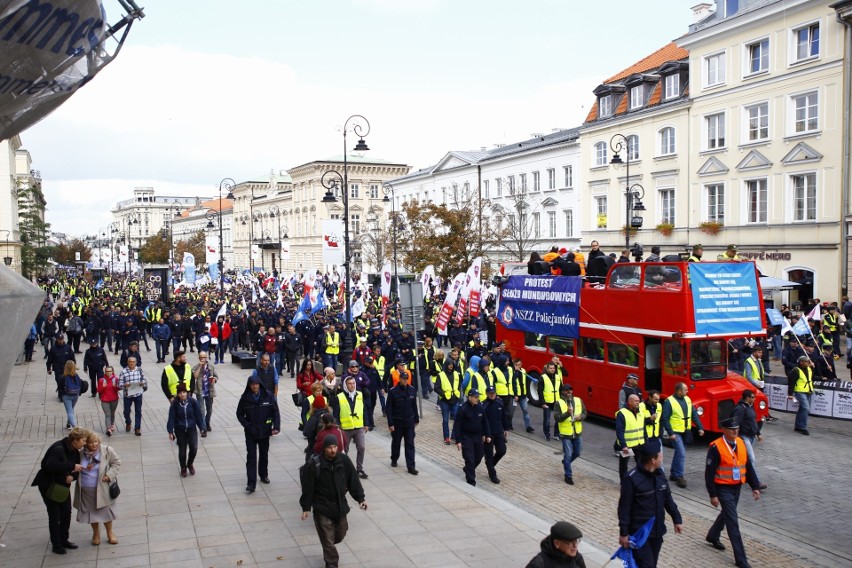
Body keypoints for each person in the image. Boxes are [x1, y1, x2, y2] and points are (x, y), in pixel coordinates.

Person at [299, 434, 368, 568]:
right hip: (322, 506)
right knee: (327, 539)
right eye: (330, 447)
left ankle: (328, 544)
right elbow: (308, 488)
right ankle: (331, 563)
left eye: (335, 447)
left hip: (340, 505)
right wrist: (306, 507)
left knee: (340, 533)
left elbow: (353, 480)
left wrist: (361, 498)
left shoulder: (344, 461)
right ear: (324, 448)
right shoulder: (315, 464)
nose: (333, 450)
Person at [705, 417, 761, 568]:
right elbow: (709, 474)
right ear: (724, 430)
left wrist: (755, 486)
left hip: (737, 486)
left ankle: (712, 535)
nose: (735, 431)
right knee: (732, 521)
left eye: (737, 428)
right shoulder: (716, 447)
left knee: (728, 514)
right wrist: (713, 495)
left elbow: (748, 466)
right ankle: (741, 559)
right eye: (732, 429)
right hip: (722, 488)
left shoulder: (741, 443)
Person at [617, 438, 683, 568]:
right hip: (640, 534)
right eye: (660, 456)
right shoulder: (631, 479)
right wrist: (624, 533)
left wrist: (677, 519)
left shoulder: (660, 475)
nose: (662, 458)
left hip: (657, 533)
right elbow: (624, 508)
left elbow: (668, 499)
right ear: (653, 460)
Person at [31, 426, 86, 555]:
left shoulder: (75, 452)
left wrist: (72, 477)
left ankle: (64, 539)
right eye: (83, 441)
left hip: (62, 487)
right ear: (75, 440)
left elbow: (77, 471)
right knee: (55, 515)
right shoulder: (58, 448)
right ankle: (56, 544)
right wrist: (71, 466)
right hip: (49, 486)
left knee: (66, 513)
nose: (84, 443)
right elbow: (48, 465)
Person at [74, 431, 120, 546]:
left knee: (106, 512)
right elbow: (74, 467)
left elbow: (116, 463)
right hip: (86, 489)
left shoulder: (106, 450)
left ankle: (110, 533)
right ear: (86, 443)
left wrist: (109, 475)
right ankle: (96, 534)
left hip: (102, 488)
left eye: (95, 442)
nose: (93, 445)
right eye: (90, 442)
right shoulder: (80, 453)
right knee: (92, 513)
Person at [236, 375, 281, 493]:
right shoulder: (245, 398)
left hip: (265, 431)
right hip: (251, 432)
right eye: (252, 384)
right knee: (251, 457)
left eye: (256, 384)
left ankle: (263, 474)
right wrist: (247, 425)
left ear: (260, 384)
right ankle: (251, 483)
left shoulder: (268, 396)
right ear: (249, 386)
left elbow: (275, 411)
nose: (254, 386)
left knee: (263, 454)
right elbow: (239, 414)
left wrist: (276, 427)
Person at [661, 382, 705, 488]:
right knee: (681, 453)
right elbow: (665, 418)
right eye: (685, 390)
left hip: (685, 431)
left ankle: (674, 474)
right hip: (675, 432)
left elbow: (694, 414)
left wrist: (700, 427)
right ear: (679, 391)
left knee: (679, 453)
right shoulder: (669, 402)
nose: (687, 391)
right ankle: (680, 476)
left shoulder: (687, 399)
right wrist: (670, 433)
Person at [333, 375, 370, 479]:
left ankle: (360, 469)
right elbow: (336, 413)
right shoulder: (339, 397)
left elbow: (364, 410)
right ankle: (346, 469)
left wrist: (366, 423)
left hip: (358, 427)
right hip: (345, 428)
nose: (352, 385)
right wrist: (337, 425)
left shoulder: (360, 395)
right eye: (349, 384)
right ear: (345, 385)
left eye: (353, 383)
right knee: (344, 450)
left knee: (361, 447)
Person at [452, 388, 490, 486]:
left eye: (478, 397)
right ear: (470, 397)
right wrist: (458, 440)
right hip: (466, 436)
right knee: (469, 458)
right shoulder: (463, 408)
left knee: (479, 455)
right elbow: (457, 425)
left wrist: (487, 434)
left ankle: (468, 468)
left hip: (477, 436)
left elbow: (485, 422)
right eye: (475, 397)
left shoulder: (480, 407)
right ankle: (471, 480)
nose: (477, 399)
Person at [731, 389, 768, 490]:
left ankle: (740, 476)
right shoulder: (740, 408)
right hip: (744, 437)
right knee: (751, 458)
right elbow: (735, 423)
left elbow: (753, 421)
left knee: (743, 458)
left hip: (751, 437)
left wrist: (758, 433)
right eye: (753, 397)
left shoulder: (750, 407)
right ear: (747, 398)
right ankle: (755, 482)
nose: (755, 399)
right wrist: (735, 437)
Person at [386, 365, 419, 475]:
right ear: (400, 379)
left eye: (406, 379)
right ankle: (394, 458)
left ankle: (411, 466)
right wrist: (390, 423)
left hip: (409, 422)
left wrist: (416, 419)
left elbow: (414, 405)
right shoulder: (393, 392)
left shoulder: (412, 390)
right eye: (403, 379)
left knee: (410, 444)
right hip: (397, 422)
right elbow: (389, 409)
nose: (405, 381)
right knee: (396, 443)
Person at [167, 384, 204, 477]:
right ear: (178, 394)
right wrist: (170, 431)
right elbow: (171, 418)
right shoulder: (175, 404)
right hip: (180, 429)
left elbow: (198, 415)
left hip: (191, 428)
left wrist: (202, 427)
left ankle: (190, 463)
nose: (182, 394)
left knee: (194, 448)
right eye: (180, 393)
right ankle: (183, 467)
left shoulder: (193, 402)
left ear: (187, 393)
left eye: (184, 392)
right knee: (182, 450)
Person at [554, 383, 585, 485]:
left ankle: (566, 463)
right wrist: (567, 413)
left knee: (577, 453)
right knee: (568, 455)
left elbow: (585, 413)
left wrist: (580, 417)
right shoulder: (559, 403)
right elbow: (557, 418)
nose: (569, 392)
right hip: (566, 433)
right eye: (567, 390)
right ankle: (568, 475)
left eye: (570, 390)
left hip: (577, 432)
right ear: (563, 391)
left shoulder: (578, 400)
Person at [615, 394, 646, 481]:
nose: (638, 402)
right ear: (629, 402)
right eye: (636, 401)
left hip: (638, 444)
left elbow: (643, 429)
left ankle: (639, 482)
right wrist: (624, 445)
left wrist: (645, 442)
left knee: (640, 464)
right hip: (627, 446)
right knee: (624, 465)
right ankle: (624, 483)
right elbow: (619, 431)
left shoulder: (640, 413)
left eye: (639, 401)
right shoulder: (622, 413)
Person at [482, 385, 506, 484]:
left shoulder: (500, 403)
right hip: (488, 434)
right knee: (489, 454)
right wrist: (483, 434)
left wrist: (505, 428)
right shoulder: (484, 405)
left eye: (493, 393)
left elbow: (504, 416)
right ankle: (493, 474)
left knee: (502, 450)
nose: (492, 395)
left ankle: (490, 464)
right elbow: (481, 422)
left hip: (499, 432)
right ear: (487, 394)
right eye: (490, 393)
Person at [434, 358, 461, 444]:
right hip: (445, 400)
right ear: (446, 365)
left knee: (457, 418)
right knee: (445, 419)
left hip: (455, 399)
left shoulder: (456, 374)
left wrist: (458, 393)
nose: (451, 366)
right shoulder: (441, 375)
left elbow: (459, 385)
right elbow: (436, 388)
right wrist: (444, 394)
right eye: (449, 364)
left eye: (452, 364)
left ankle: (453, 435)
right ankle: (446, 437)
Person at [118, 356, 147, 436]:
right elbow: (119, 384)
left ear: (136, 362)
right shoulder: (123, 371)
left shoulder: (139, 370)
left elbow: (144, 380)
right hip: (128, 395)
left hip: (138, 394)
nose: (131, 363)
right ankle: (128, 422)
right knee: (126, 411)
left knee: (138, 411)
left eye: (133, 362)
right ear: (128, 363)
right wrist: (125, 385)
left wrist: (142, 383)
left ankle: (137, 428)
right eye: (130, 362)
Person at [192, 351, 217, 436]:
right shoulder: (196, 367)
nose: (203, 359)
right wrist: (200, 366)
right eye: (201, 357)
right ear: (199, 358)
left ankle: (207, 423)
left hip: (209, 391)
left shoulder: (211, 367)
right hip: (200, 391)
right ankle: (203, 428)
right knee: (202, 411)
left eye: (204, 357)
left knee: (209, 410)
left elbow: (216, 376)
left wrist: (214, 379)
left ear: (206, 358)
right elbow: (194, 377)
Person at [787, 354, 814, 435]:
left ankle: (798, 426)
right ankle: (802, 427)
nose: (808, 363)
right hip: (800, 391)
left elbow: (811, 378)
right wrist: (790, 394)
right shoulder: (796, 370)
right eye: (807, 362)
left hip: (808, 391)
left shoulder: (809, 368)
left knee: (802, 409)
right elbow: (791, 382)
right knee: (806, 408)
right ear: (801, 362)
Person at [97, 366, 121, 437]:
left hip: (114, 399)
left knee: (112, 413)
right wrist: (103, 387)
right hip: (105, 400)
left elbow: (119, 388)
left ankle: (112, 424)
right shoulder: (101, 380)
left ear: (112, 372)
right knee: (108, 414)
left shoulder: (116, 379)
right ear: (105, 372)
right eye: (107, 371)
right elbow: (98, 390)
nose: (108, 373)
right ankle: (108, 428)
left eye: (110, 371)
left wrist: (115, 387)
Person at [60, 361, 84, 429]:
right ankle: (68, 423)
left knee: (69, 411)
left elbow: (60, 387)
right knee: (71, 409)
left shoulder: (63, 376)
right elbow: (81, 384)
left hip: (66, 396)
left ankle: (74, 426)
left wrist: (61, 395)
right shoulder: (76, 376)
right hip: (75, 395)